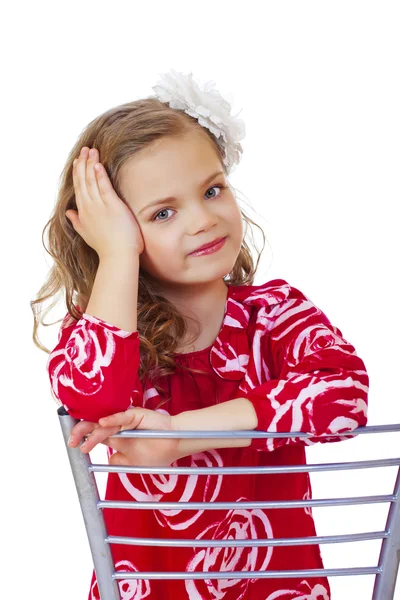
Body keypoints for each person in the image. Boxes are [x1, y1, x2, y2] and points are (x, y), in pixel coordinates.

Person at [33, 69, 369, 600]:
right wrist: (118, 254)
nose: (203, 220)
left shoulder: (274, 314)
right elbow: (90, 397)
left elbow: (343, 398)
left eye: (212, 190)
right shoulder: (108, 334)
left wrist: (180, 435)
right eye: (162, 212)